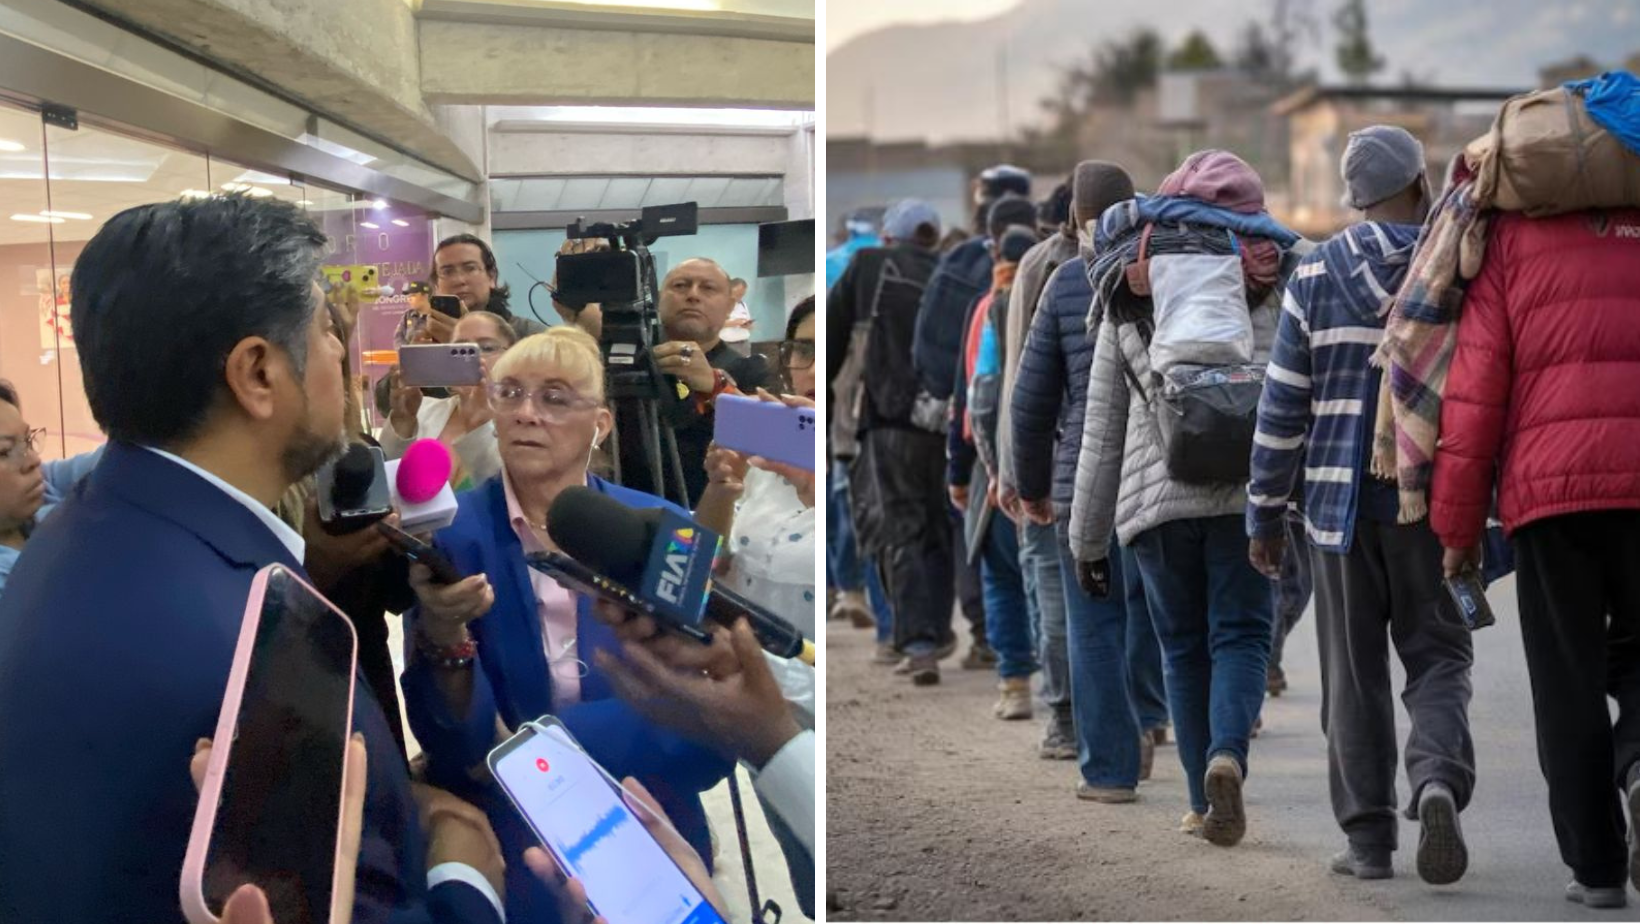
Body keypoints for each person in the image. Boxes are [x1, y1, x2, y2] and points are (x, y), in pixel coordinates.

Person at [0, 193, 506, 923]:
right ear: (258, 374)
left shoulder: (75, 533)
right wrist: (463, 873)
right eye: (327, 329)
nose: (341, 351)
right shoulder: (265, 649)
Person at [401, 325, 734, 924]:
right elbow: (453, 747)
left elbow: (705, 728)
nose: (527, 413)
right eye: (510, 394)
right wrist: (442, 634)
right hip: (513, 838)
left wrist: (544, 745)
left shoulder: (666, 527)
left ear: (601, 424)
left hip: (651, 820)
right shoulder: (449, 536)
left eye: (555, 398)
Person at [1248, 126, 1474, 884]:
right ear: (1419, 183)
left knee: (1354, 676)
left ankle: (1370, 843)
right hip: (1432, 503)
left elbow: (1283, 409)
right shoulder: (1454, 264)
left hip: (1335, 512)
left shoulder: (1313, 274)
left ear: (1356, 198)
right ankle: (1437, 779)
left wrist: (1264, 515)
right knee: (1438, 655)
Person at [1072, 150, 1305, 845]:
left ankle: (1202, 803)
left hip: (1154, 504)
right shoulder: (1274, 280)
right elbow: (1298, 401)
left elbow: (1103, 430)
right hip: (1246, 494)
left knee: (1181, 648)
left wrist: (1087, 542)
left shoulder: (1128, 288)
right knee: (1240, 634)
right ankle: (1228, 755)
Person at [1431, 201, 1640, 907]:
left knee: (1566, 680)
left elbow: (1475, 393)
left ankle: (1599, 869)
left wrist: (1457, 530)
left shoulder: (1513, 239)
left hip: (1550, 498)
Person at [1011, 160, 1170, 786]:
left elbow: (1031, 401)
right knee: (1166, 616)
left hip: (1087, 481)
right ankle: (1168, 730)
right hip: (1168, 473)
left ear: (1074, 217)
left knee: (1095, 623)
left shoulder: (1068, 281)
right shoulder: (1177, 268)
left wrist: (1032, 487)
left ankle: (1108, 770)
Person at [829, 199, 969, 675]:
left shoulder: (868, 265)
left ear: (888, 237)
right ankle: (938, 630)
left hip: (887, 422)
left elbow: (830, 334)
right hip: (946, 422)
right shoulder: (949, 274)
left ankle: (918, 642)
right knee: (938, 528)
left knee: (899, 530)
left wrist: (826, 417)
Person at [994, 175, 1085, 757]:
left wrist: (1013, 471)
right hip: (1128, 470)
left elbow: (1019, 384)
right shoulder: (1155, 257)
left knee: (1053, 592)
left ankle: (1067, 720)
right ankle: (1142, 715)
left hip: (1053, 462)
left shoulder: (1039, 269)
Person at [949, 222, 1042, 705]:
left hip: (998, 467)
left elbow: (974, 397)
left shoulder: (989, 307)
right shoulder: (1066, 287)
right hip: (1055, 462)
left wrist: (970, 469)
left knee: (1003, 578)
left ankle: (1015, 683)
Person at [609, 258, 771, 507]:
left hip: (712, 516)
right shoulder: (628, 364)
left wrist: (714, 386)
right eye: (681, 286)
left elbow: (768, 443)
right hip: (624, 511)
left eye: (708, 288)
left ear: (730, 306)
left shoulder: (751, 372)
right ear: (660, 298)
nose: (693, 295)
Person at [382, 310, 518, 492]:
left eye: (485, 348)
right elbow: (386, 487)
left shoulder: (523, 420)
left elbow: (513, 495)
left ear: (513, 355)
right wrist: (402, 422)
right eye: (459, 350)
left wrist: (479, 427)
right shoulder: (422, 410)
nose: (472, 359)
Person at [0, 382, 104, 597]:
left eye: (27, 441)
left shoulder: (43, 489)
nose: (33, 460)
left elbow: (117, 462)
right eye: (4, 452)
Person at [434, 233, 548, 342]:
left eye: (470, 269)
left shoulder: (532, 336)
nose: (460, 280)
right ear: (436, 284)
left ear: (491, 277)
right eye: (448, 272)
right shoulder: (425, 337)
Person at [721, 276, 754, 352]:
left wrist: (748, 325)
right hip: (727, 344)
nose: (739, 297)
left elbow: (748, 321)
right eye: (738, 294)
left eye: (742, 294)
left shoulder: (743, 304)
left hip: (744, 343)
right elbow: (714, 324)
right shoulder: (720, 304)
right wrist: (734, 323)